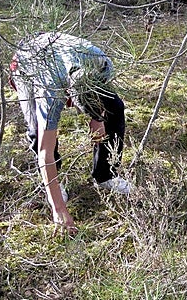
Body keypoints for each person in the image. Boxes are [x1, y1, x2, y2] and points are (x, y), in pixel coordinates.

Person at [10, 32, 132, 234]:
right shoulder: (50, 93)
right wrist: (59, 210)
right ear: (68, 97)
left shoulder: (101, 63)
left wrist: (98, 118)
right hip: (29, 63)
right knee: (37, 131)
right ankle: (53, 188)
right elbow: (44, 153)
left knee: (115, 107)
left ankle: (105, 175)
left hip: (67, 56)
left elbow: (100, 97)